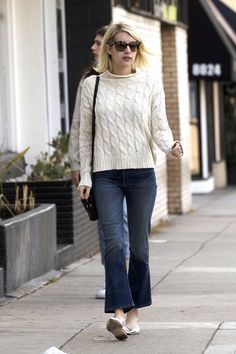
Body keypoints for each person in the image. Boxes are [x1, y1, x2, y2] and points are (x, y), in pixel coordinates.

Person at [78, 22, 183, 340]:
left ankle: (135, 312)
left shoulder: (150, 83)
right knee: (113, 244)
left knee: (138, 247)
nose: (128, 51)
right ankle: (119, 313)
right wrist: (86, 176)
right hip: (105, 174)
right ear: (108, 47)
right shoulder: (92, 86)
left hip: (141, 173)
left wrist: (171, 145)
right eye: (121, 45)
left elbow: (159, 126)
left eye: (133, 46)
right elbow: (85, 136)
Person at [68, 26, 130, 299]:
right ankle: (113, 276)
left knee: (123, 223)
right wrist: (76, 163)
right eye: (94, 43)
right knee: (107, 224)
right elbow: (78, 126)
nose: (92, 48)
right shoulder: (89, 81)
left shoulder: (133, 80)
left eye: (98, 43)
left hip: (129, 162)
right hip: (99, 165)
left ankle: (124, 276)